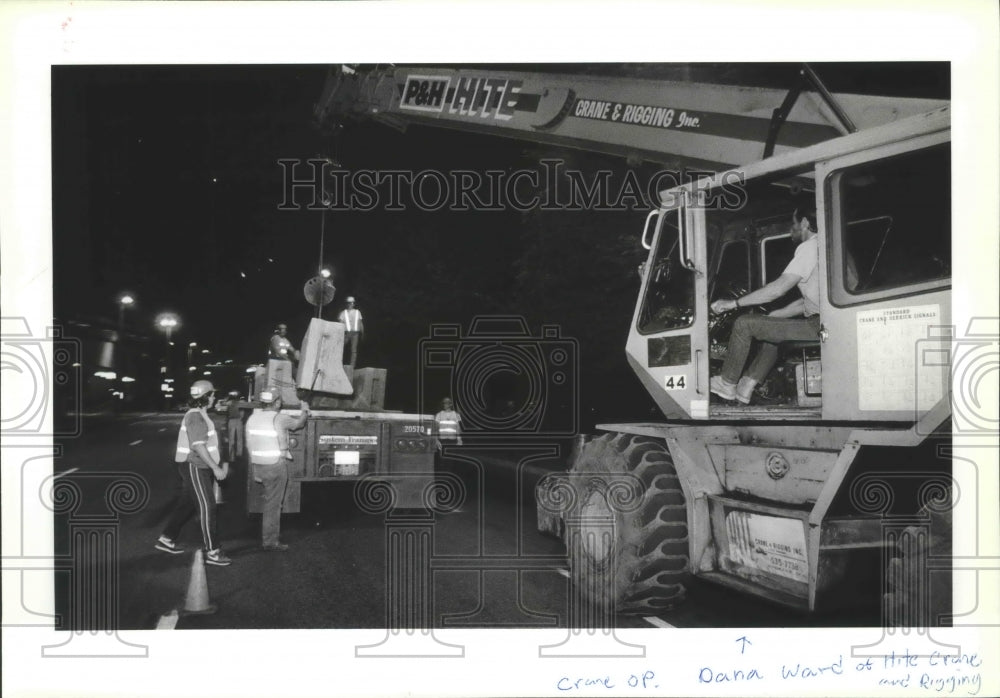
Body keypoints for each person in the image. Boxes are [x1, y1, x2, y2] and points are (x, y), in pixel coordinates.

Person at [709, 207, 822, 405]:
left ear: (804, 223)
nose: (791, 230)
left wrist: (733, 304)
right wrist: (775, 315)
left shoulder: (810, 247)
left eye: (793, 224)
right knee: (773, 330)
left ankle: (727, 383)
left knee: (744, 324)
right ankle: (746, 386)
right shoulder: (825, 246)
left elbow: (777, 289)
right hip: (824, 322)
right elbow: (808, 302)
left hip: (818, 326)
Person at [155, 380, 232, 566]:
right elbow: (198, 446)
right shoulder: (195, 416)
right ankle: (213, 551)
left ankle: (167, 538)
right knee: (208, 506)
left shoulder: (200, 414)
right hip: (195, 465)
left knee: (187, 504)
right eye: (212, 394)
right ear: (205, 397)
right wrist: (215, 467)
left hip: (196, 465)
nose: (214, 397)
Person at [246, 390, 309, 552]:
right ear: (277, 403)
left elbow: (249, 444)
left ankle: (268, 537)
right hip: (275, 465)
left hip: (258, 464)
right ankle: (270, 541)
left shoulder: (252, 418)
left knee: (269, 502)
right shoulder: (279, 418)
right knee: (273, 505)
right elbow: (298, 424)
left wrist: (254, 468)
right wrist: (305, 410)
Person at [337, 296, 364, 366]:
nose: (350, 304)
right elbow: (340, 324)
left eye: (352, 303)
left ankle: (352, 366)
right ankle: (338, 362)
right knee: (341, 348)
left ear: (354, 304)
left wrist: (363, 333)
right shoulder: (343, 313)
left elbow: (360, 323)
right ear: (347, 304)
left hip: (355, 333)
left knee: (353, 350)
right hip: (346, 333)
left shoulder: (358, 312)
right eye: (349, 303)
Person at [225, 390, 244, 461]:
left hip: (233, 420)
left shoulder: (230, 403)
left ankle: (233, 455)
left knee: (232, 438)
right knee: (237, 438)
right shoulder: (240, 403)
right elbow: (242, 413)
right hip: (237, 420)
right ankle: (238, 454)